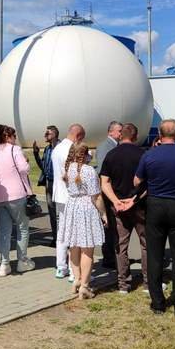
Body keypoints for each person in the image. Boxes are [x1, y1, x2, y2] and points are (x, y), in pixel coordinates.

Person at [134, 119, 175, 316]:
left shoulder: (149, 155)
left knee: (155, 255)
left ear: (160, 135)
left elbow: (136, 181)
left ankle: (158, 303)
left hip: (156, 204)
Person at [99, 123, 147, 294]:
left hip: (118, 207)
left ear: (121, 135)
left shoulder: (111, 155)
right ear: (135, 136)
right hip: (140, 206)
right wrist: (134, 199)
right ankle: (148, 282)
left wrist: (116, 201)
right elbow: (149, 182)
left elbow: (104, 182)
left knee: (121, 245)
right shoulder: (143, 154)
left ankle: (123, 284)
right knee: (146, 244)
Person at [58, 143, 107, 299]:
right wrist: (104, 213)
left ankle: (77, 280)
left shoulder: (68, 168)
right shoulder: (89, 170)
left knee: (74, 246)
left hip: (72, 206)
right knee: (87, 249)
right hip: (86, 207)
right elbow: (96, 196)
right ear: (85, 154)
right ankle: (84, 286)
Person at [0, 124, 36, 276]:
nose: (15, 138)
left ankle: (4, 263)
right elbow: (24, 169)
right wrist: (26, 162)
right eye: (14, 136)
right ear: (7, 137)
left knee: (4, 230)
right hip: (16, 194)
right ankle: (22, 260)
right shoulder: (14, 149)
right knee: (22, 227)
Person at [51, 124, 86, 279]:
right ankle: (73, 270)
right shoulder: (71, 150)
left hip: (59, 194)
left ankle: (61, 266)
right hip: (71, 196)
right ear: (78, 136)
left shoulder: (57, 148)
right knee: (73, 233)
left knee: (62, 231)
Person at [95, 120, 122, 269]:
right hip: (107, 191)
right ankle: (109, 258)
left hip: (114, 191)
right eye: (119, 131)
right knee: (109, 225)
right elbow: (102, 171)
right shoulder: (105, 147)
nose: (121, 133)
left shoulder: (116, 146)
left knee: (115, 227)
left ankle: (115, 256)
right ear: (110, 132)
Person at [33, 125, 60, 241]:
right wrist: (36, 154)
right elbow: (43, 167)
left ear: (54, 134)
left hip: (60, 183)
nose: (45, 135)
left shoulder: (61, 148)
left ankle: (64, 239)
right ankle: (55, 238)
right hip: (49, 182)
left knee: (61, 212)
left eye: (47, 133)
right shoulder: (48, 149)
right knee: (52, 211)